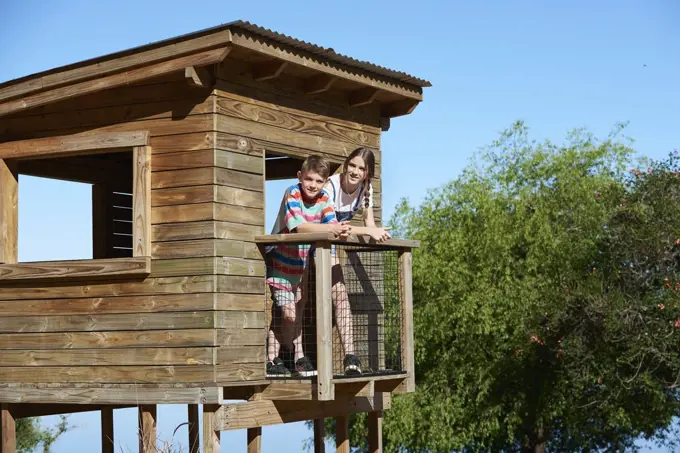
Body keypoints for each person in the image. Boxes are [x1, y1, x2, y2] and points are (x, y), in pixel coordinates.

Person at [265, 155, 351, 377]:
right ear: (300, 176)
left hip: (299, 265)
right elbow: (299, 227)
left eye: (319, 181)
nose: (313, 185)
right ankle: (275, 356)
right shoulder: (292, 193)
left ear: (325, 183)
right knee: (289, 313)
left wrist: (335, 228)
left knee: (295, 311)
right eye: (309, 179)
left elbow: (332, 223)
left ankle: (293, 357)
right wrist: (331, 229)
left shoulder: (323, 199)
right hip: (280, 265)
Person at [325, 147, 391, 375]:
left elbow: (368, 222)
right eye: (352, 165)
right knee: (299, 300)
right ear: (345, 165)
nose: (355, 171)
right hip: (312, 241)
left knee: (340, 295)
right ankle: (287, 356)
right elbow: (334, 226)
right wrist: (367, 231)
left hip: (329, 245)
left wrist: (378, 232)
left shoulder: (365, 189)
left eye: (361, 168)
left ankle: (351, 357)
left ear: (367, 174)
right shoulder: (331, 186)